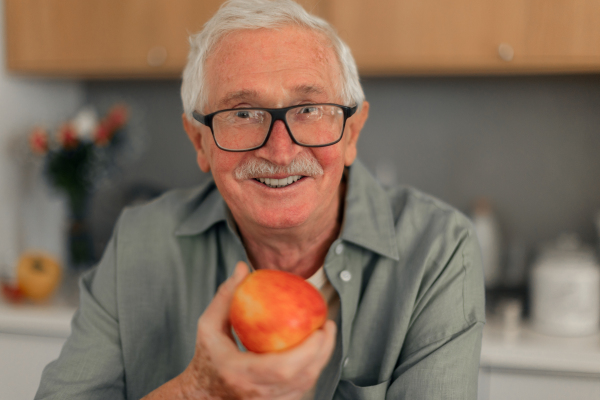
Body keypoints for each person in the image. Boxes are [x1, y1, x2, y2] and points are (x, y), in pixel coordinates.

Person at [35, 0, 485, 399]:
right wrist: (197, 392)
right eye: (243, 113)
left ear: (352, 132)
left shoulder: (437, 249)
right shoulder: (140, 242)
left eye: (309, 109)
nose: (280, 150)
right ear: (199, 142)